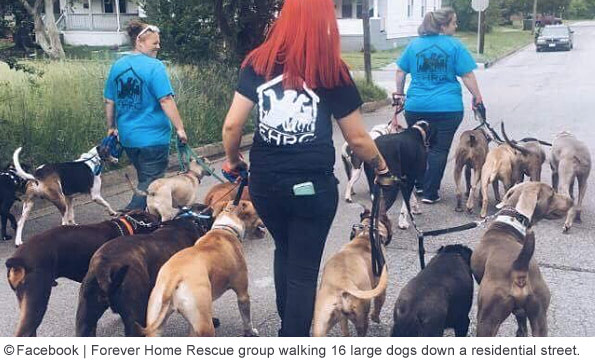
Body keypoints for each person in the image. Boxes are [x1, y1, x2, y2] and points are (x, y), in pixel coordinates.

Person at [221, 0, 391, 337]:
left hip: (267, 184)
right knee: (302, 270)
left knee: (285, 251)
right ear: (325, 22)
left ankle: (290, 326)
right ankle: (293, 339)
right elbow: (357, 138)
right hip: (312, 188)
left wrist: (233, 159)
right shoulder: (332, 70)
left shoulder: (258, 62)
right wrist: (382, 166)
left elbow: (231, 126)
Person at [394, 8, 484, 204]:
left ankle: (418, 183)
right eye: (454, 23)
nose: (456, 26)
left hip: (416, 106)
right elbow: (467, 75)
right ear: (443, 26)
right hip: (447, 108)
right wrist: (477, 97)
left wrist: (400, 95)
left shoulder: (414, 45)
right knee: (439, 149)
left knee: (418, 145)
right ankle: (429, 192)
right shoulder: (455, 46)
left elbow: (400, 72)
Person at [104, 20, 188, 210]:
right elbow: (166, 100)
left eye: (158, 42)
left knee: (145, 179)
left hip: (129, 140)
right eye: (154, 43)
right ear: (139, 42)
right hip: (153, 139)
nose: (158, 46)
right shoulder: (155, 66)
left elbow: (109, 101)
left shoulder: (117, 66)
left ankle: (147, 224)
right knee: (150, 186)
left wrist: (111, 127)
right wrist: (180, 129)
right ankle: (128, 219)